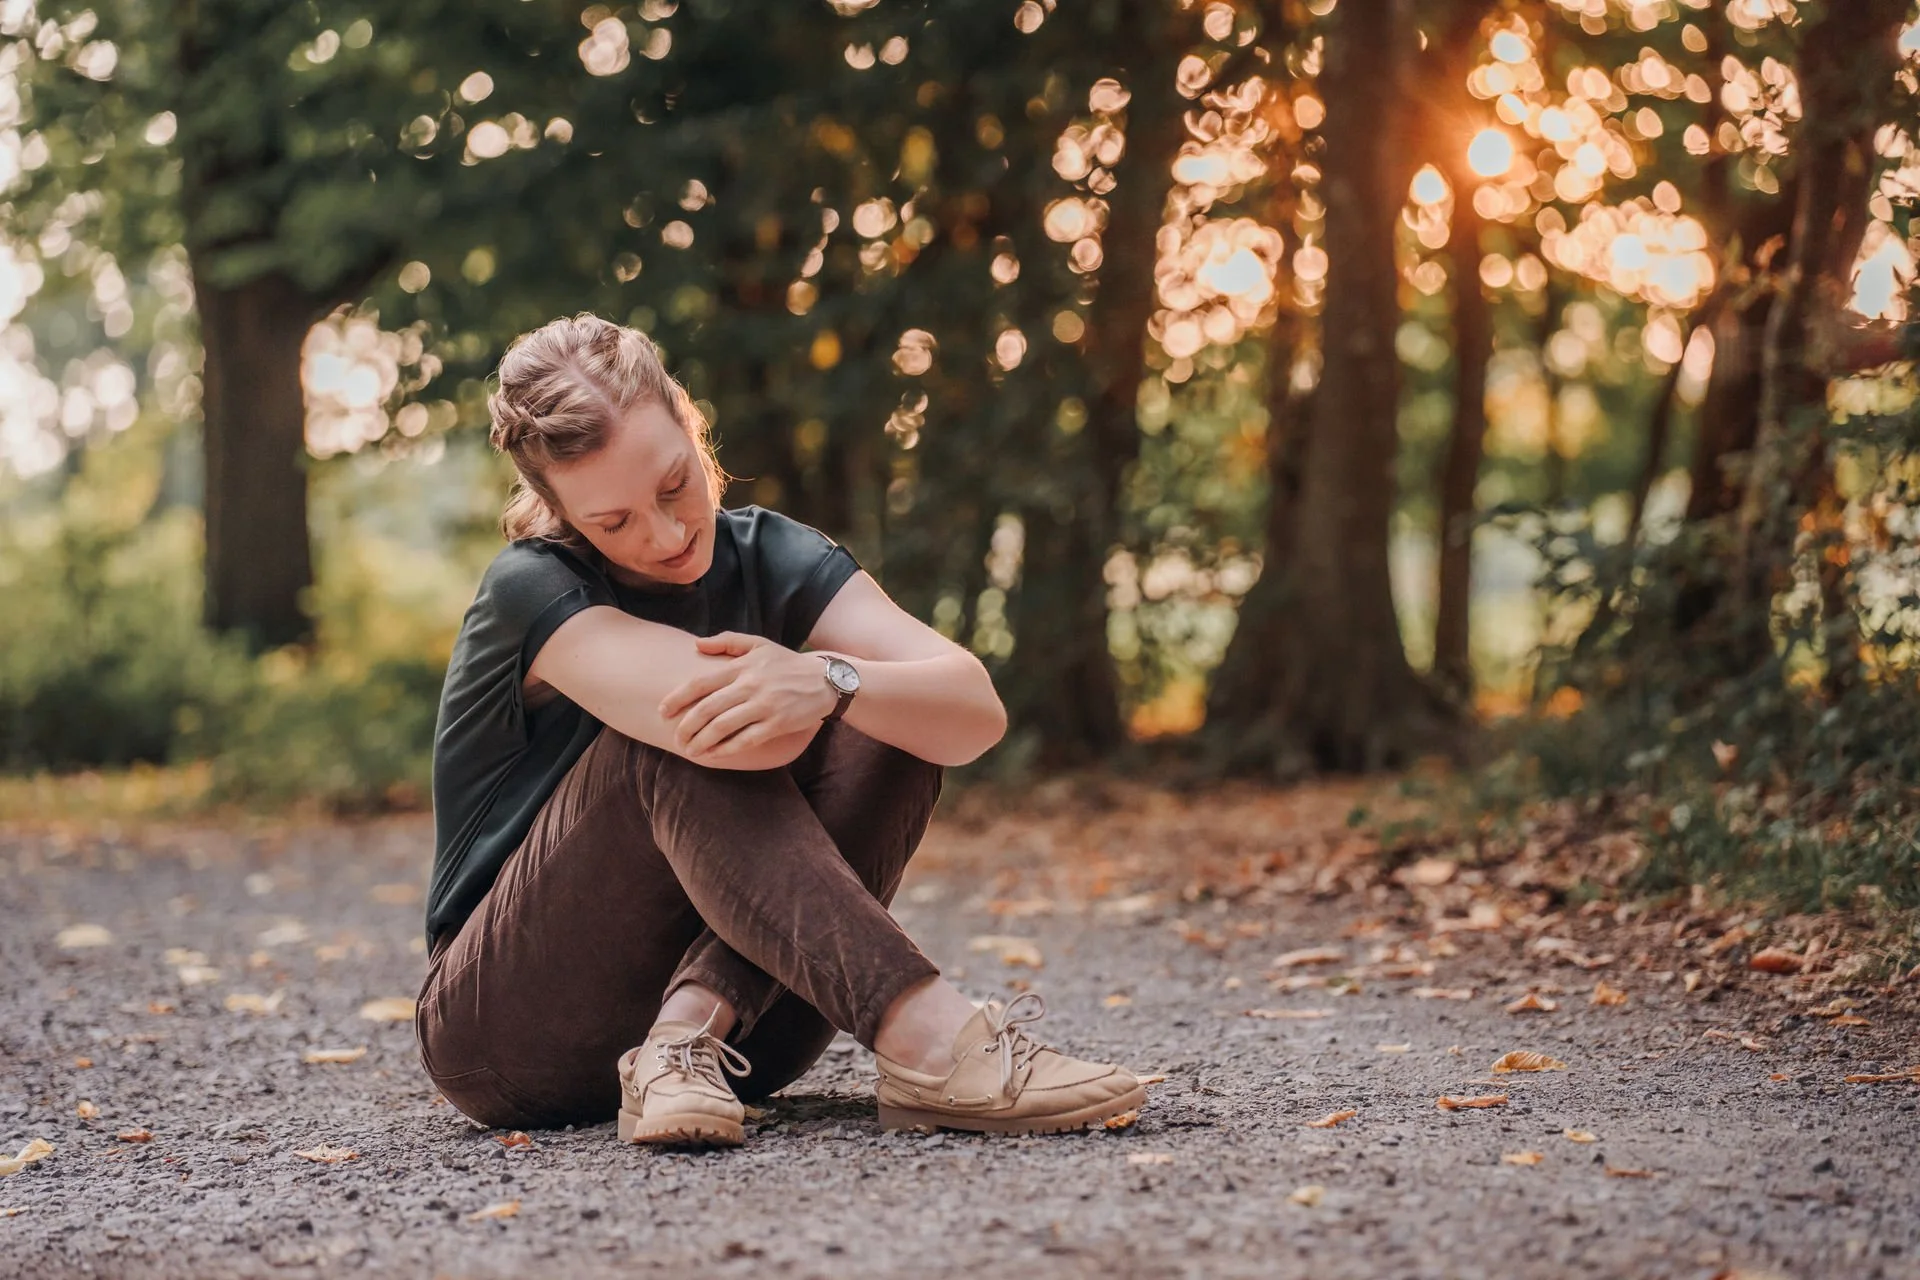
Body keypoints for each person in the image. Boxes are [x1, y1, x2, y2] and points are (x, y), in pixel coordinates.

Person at [414, 312, 1144, 1147]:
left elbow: (972, 713)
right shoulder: (533, 588)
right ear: (561, 510)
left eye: (673, 483)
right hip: (511, 1030)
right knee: (692, 729)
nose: (665, 534)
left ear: (690, 425)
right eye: (614, 523)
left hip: (750, 1038)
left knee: (886, 715)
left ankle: (683, 1039)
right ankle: (932, 1040)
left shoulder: (772, 553)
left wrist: (830, 677)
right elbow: (738, 734)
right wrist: (804, 685)